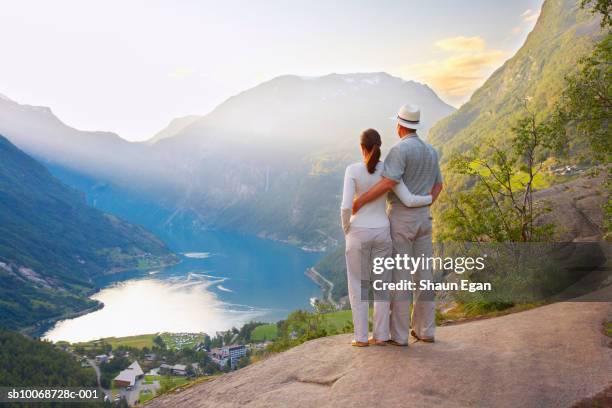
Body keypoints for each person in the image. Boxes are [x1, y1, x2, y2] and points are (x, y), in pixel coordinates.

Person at [353, 104, 443, 346]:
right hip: (425, 218)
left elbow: (388, 182)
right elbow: (438, 187)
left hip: (402, 219)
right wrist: (425, 203)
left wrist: (360, 201)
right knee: (424, 276)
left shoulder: (399, 150)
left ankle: (400, 336)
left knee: (400, 277)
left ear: (400, 126)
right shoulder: (432, 151)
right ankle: (425, 331)